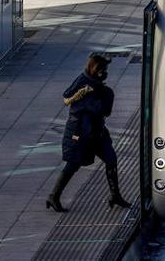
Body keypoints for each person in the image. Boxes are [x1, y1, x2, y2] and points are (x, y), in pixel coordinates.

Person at [47, 53, 131, 213]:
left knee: (111, 159)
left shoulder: (98, 86)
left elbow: (105, 111)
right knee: (73, 164)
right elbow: (91, 106)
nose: (105, 72)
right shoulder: (84, 83)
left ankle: (115, 195)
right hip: (80, 132)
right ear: (95, 68)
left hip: (97, 131)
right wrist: (99, 96)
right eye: (102, 69)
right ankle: (54, 195)